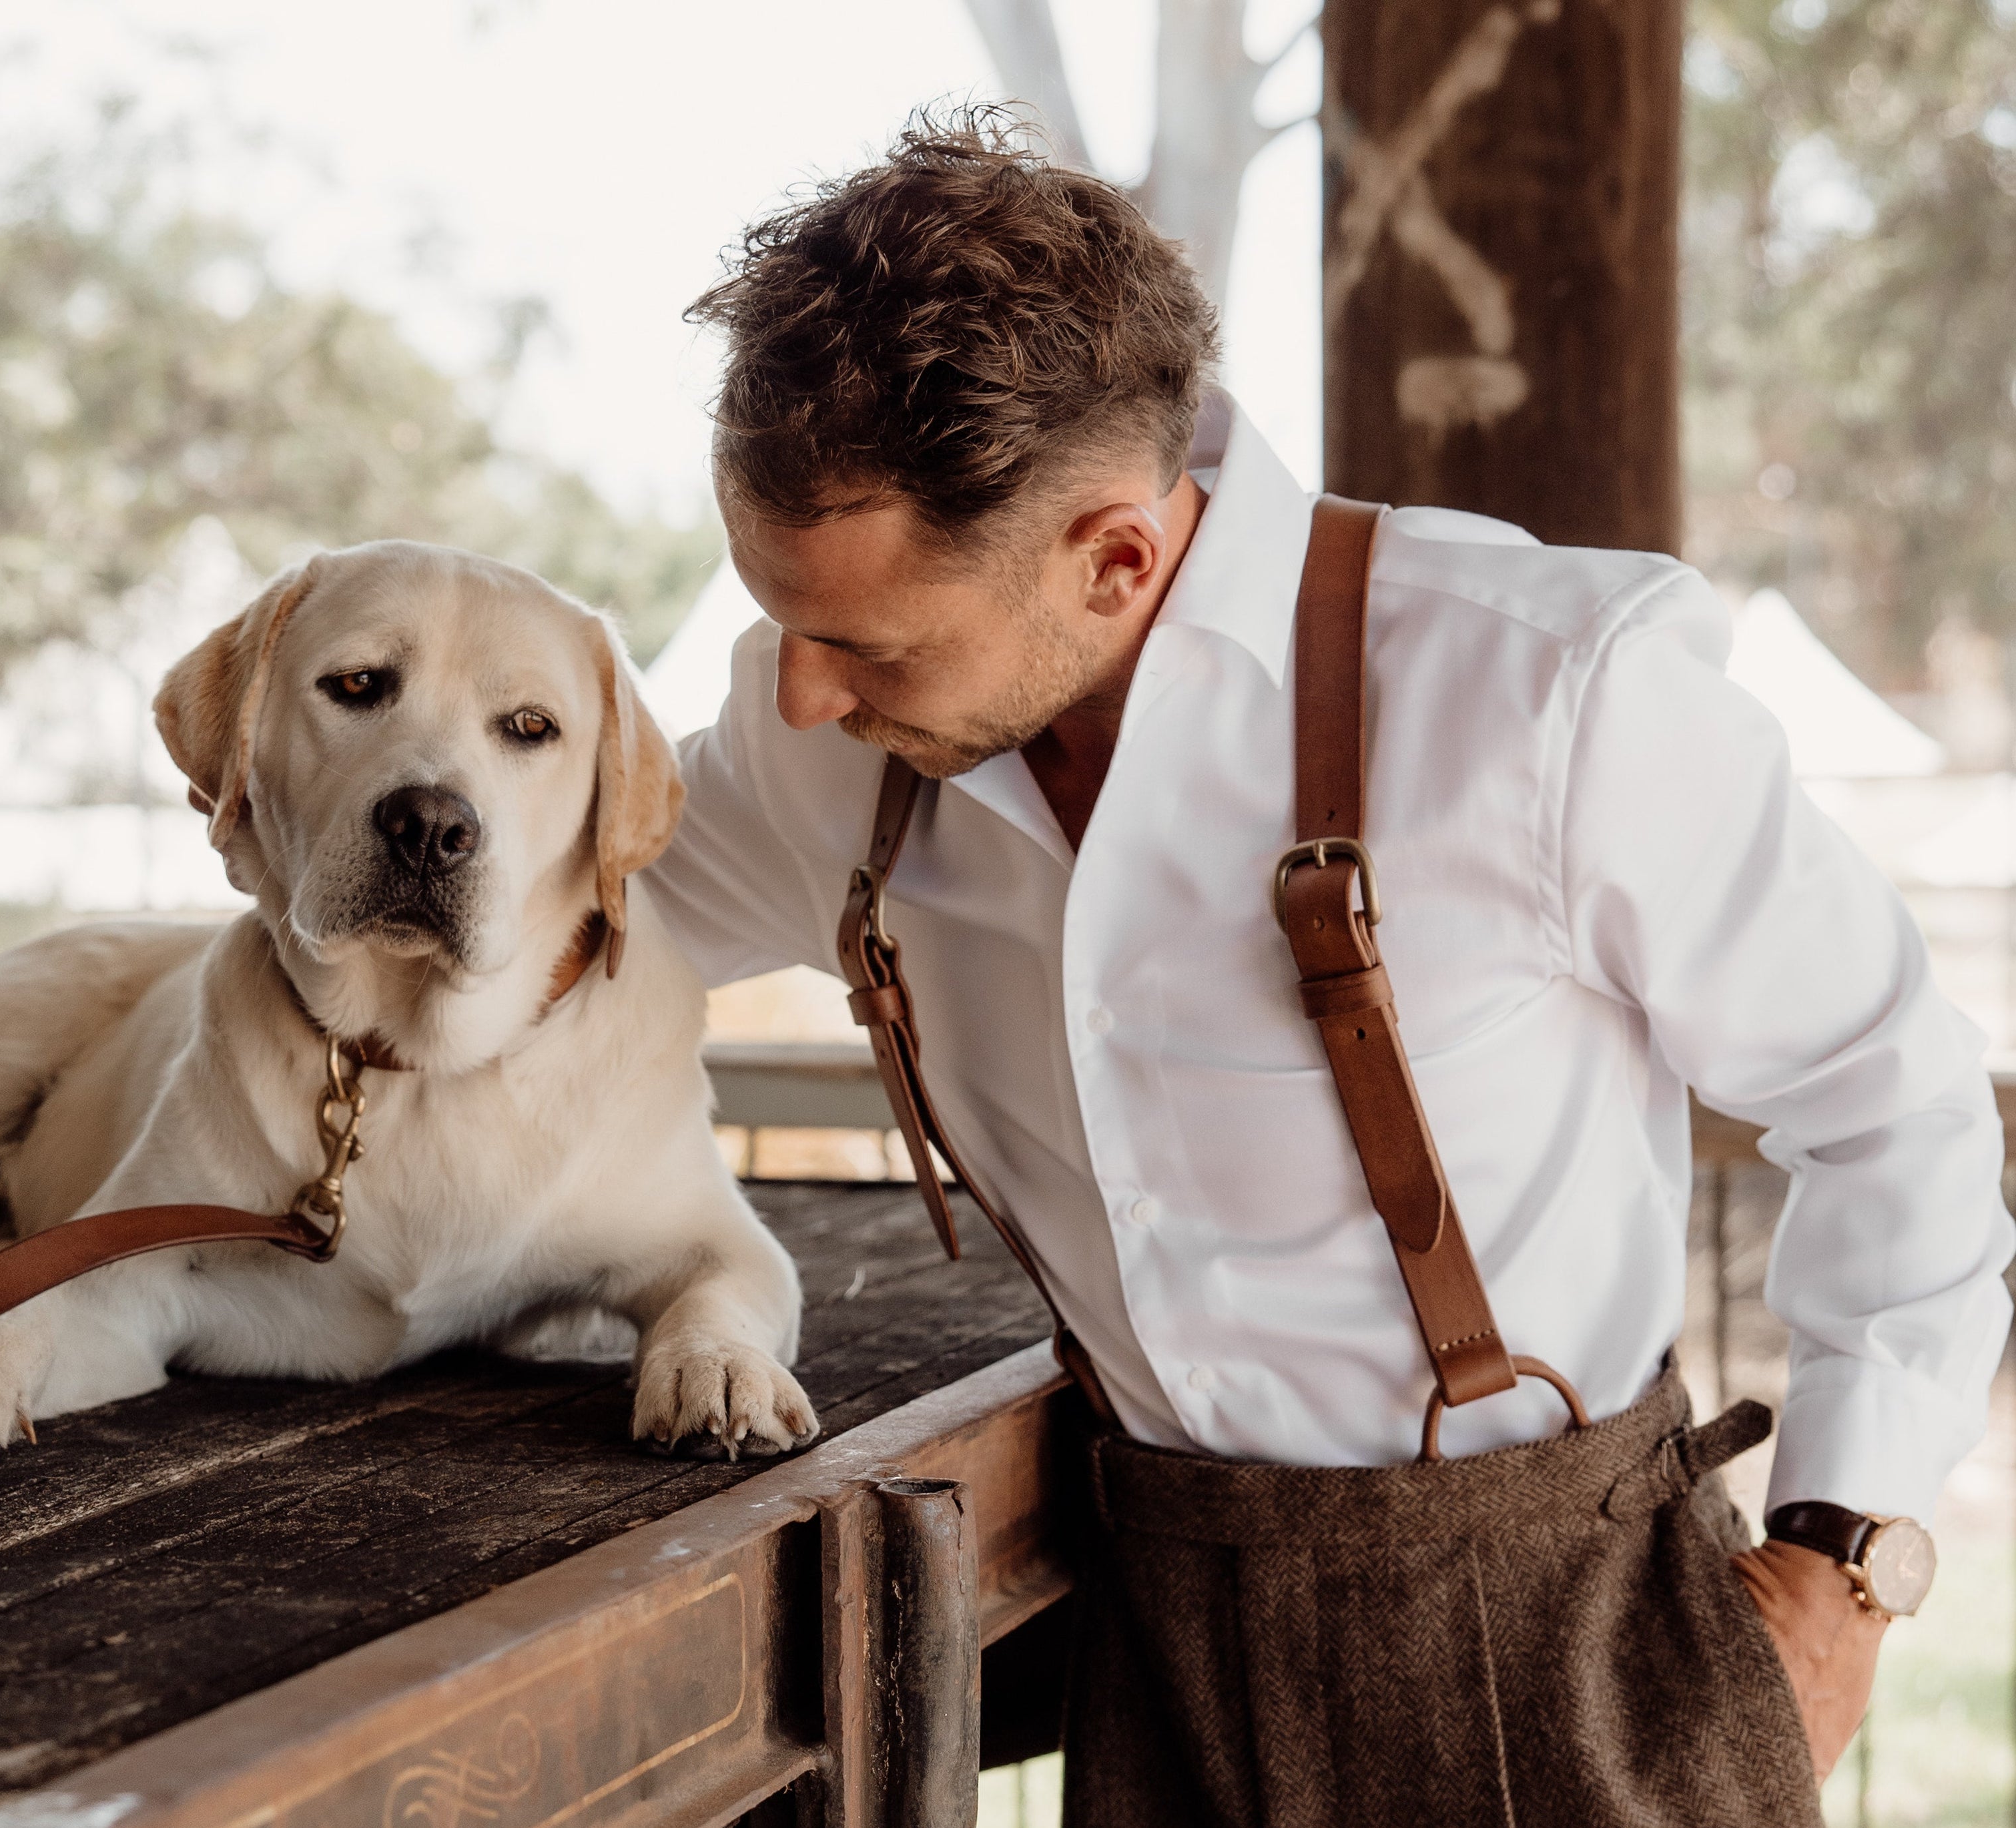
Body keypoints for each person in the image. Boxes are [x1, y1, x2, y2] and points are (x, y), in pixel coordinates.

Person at [642, 108, 2013, 1824]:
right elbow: (551, 940)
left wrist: (1841, 1566)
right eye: (781, 620)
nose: (797, 696)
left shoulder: (1548, 692)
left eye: (864, 642)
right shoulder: (829, 760)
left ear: (1118, 559)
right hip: (1158, 1644)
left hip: (1574, 1656)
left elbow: (1898, 1100)